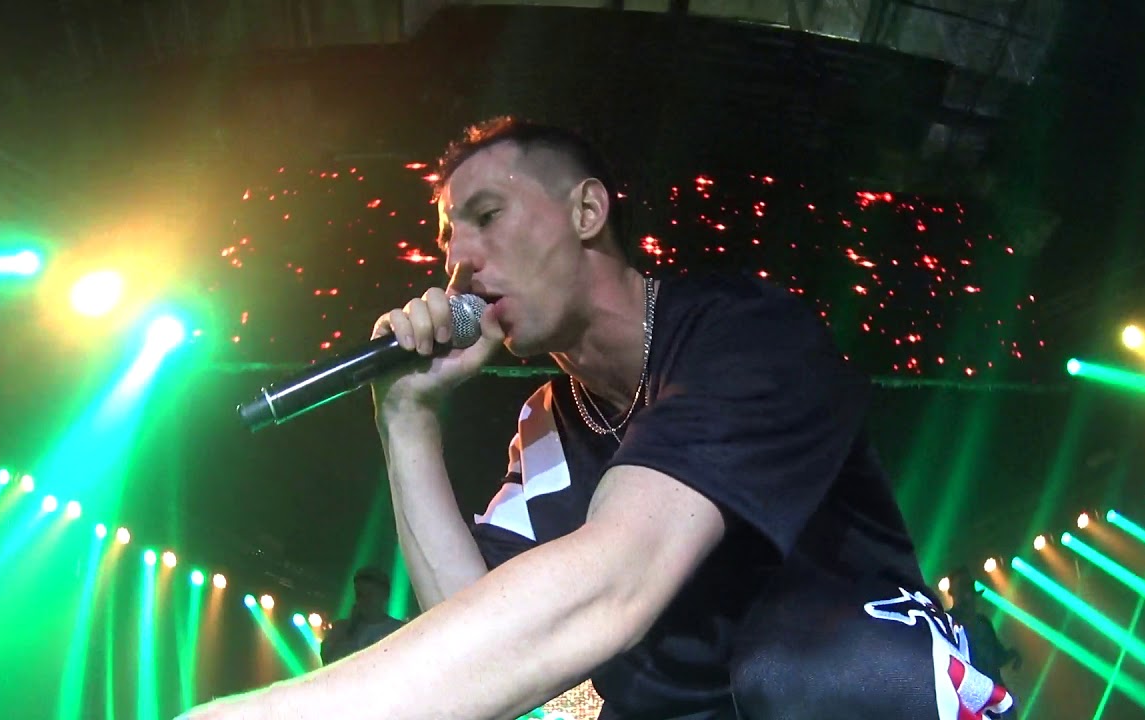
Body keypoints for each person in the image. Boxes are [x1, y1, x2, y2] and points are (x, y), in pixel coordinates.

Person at [180, 118, 1015, 719]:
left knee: (801, 667)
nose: (458, 259)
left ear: (587, 212)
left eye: (486, 217)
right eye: (447, 239)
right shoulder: (549, 421)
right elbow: (480, 636)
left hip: (867, 678)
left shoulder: (743, 335)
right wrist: (407, 420)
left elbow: (618, 580)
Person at [947, 566, 1022, 691]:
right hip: (969, 693)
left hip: (993, 691)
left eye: (968, 588)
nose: (967, 596)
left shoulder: (983, 622)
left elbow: (997, 657)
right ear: (953, 593)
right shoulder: (947, 622)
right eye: (962, 588)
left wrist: (1012, 655)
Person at [319, 565, 406, 665]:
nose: (365, 600)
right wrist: (348, 630)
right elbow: (327, 660)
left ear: (385, 594)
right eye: (360, 594)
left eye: (370, 594)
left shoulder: (400, 630)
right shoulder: (340, 628)